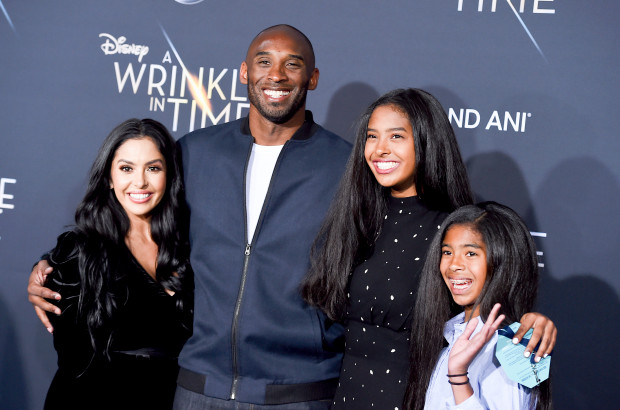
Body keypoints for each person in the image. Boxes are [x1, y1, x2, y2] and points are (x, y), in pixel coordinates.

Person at [29, 25, 352, 408]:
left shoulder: (346, 167)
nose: (277, 75)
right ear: (244, 72)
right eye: (264, 62)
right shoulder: (194, 152)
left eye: (292, 64)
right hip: (197, 388)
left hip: (299, 390)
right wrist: (53, 265)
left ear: (313, 78)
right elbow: (137, 221)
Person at [301, 88, 556, 409]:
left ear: (425, 141)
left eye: (396, 136)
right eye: (372, 136)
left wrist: (533, 324)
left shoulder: (456, 230)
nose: (380, 149)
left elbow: (498, 312)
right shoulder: (357, 218)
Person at [40, 118, 193, 410]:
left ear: (169, 174)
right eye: (126, 168)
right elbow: (74, 360)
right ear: (109, 177)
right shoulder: (79, 251)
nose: (140, 182)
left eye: (153, 168)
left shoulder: (190, 247)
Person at [406, 201, 552, 409]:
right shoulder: (448, 336)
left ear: (503, 261)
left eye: (470, 253)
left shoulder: (517, 345)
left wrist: (458, 378)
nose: (454, 265)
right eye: (447, 252)